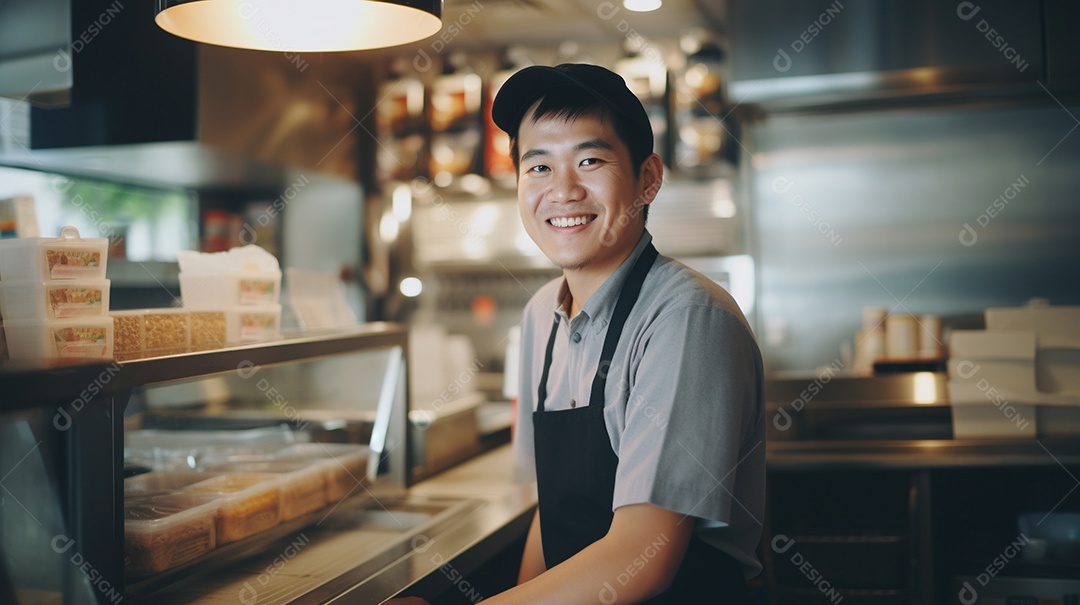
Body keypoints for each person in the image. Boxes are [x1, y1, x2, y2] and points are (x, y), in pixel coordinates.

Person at [390, 63, 765, 604]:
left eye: (590, 160)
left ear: (648, 179)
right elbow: (555, 508)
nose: (562, 190)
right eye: (537, 166)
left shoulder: (687, 319)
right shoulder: (542, 314)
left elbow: (643, 557)